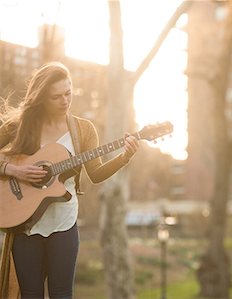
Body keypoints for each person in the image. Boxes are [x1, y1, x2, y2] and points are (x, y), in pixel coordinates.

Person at [0, 61, 139, 298]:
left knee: (62, 294)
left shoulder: (83, 130)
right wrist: (12, 169)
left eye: (68, 93)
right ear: (42, 97)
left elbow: (95, 175)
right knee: (30, 294)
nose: (65, 101)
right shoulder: (20, 126)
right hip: (25, 224)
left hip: (64, 224)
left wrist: (123, 158)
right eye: (57, 97)